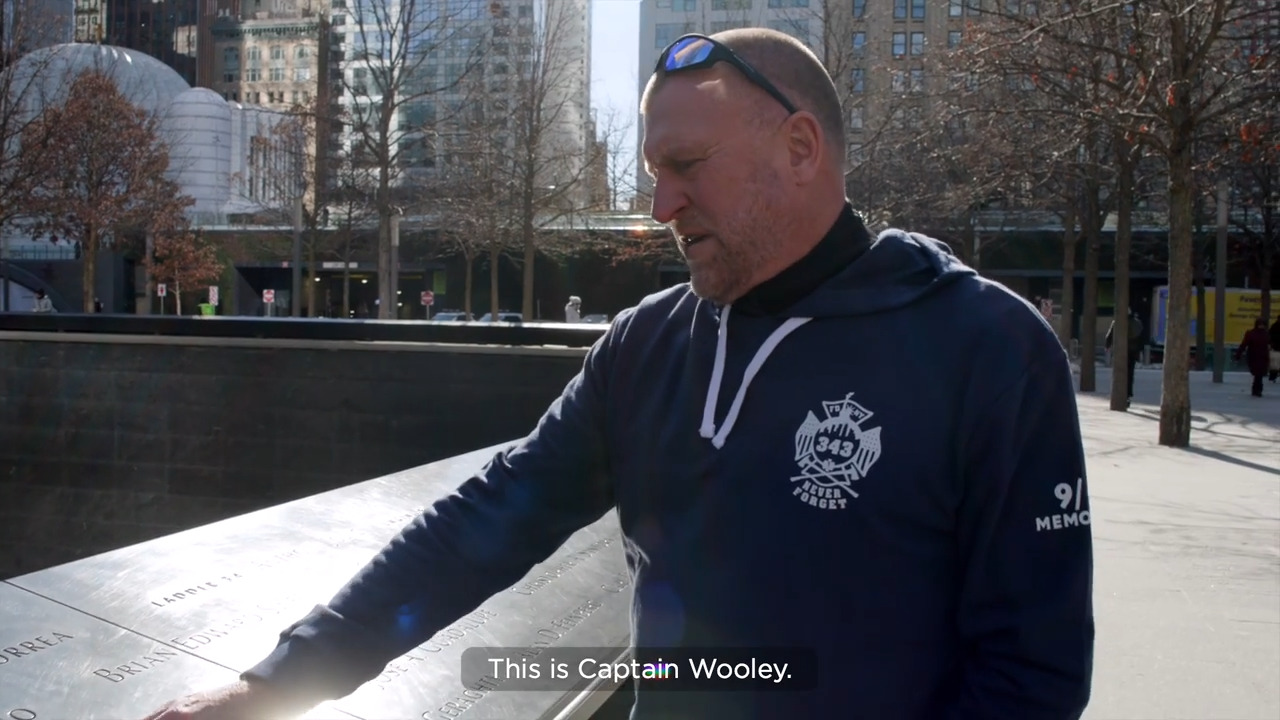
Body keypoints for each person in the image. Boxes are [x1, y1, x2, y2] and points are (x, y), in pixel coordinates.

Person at [144, 28, 1094, 720]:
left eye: (687, 165)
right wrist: (275, 684)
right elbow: (482, 525)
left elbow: (1032, 675)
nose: (661, 204)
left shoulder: (987, 349)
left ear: (800, 149)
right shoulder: (644, 347)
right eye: (651, 171)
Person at [1104, 308, 1144, 407]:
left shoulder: (1117, 322)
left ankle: (1118, 393)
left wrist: (1107, 345)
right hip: (1132, 352)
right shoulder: (1137, 323)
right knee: (1130, 374)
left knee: (1118, 372)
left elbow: (1109, 336)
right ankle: (1128, 395)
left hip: (1120, 351)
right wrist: (1140, 351)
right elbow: (1142, 339)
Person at [1235, 317, 1271, 398]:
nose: (1261, 326)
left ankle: (1256, 390)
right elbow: (1244, 345)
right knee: (1259, 374)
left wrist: (1238, 355)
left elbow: (1243, 345)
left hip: (1256, 356)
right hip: (1258, 356)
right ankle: (1257, 390)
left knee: (1258, 374)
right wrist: (1238, 354)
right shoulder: (1265, 334)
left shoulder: (1253, 333)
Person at [1268, 313, 1279, 383]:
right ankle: (1273, 376)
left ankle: (1272, 376)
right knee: (1275, 363)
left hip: (1275, 346)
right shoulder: (1274, 326)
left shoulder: (1274, 326)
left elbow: (1270, 335)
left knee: (1275, 363)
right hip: (1276, 346)